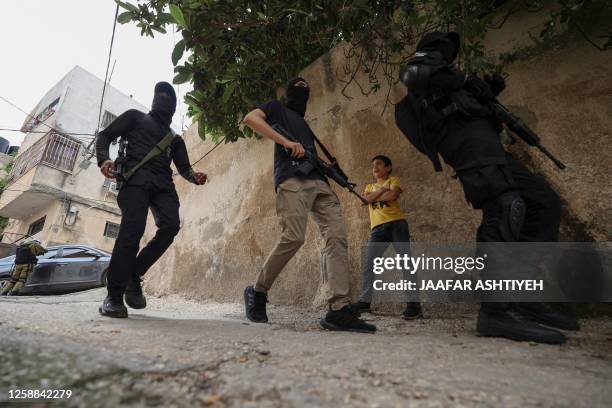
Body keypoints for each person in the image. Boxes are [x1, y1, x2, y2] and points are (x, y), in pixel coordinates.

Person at [394, 31, 579, 344]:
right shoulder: (425, 63)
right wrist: (465, 79)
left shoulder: (452, 78)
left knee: (543, 202)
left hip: (489, 144)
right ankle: (494, 311)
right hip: (467, 147)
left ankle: (522, 297)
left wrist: (484, 90)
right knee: (506, 208)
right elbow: (414, 74)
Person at [242, 77, 376, 333]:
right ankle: (257, 292)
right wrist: (286, 143)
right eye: (298, 89)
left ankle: (338, 309)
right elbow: (251, 119)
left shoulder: (304, 123)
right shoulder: (275, 108)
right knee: (293, 237)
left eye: (307, 90)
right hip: (291, 179)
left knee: (337, 238)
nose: (302, 94)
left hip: (320, 183)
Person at [96, 81, 207, 318]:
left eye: (169, 95)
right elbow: (105, 135)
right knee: (131, 233)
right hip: (135, 179)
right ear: (155, 98)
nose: (165, 97)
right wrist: (104, 159)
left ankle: (134, 274)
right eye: (161, 93)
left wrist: (194, 177)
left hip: (163, 185)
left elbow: (185, 168)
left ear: (174, 106)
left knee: (170, 226)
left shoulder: (175, 139)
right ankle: (113, 297)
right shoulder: (134, 117)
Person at [350, 155, 422, 319]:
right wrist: (383, 190)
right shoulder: (370, 185)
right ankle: (365, 303)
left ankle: (414, 305)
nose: (375, 168)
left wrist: (375, 195)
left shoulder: (394, 179)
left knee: (406, 263)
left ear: (388, 167)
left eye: (379, 164)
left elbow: (393, 196)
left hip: (397, 224)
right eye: (373, 165)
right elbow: (363, 200)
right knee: (370, 264)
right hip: (377, 229)